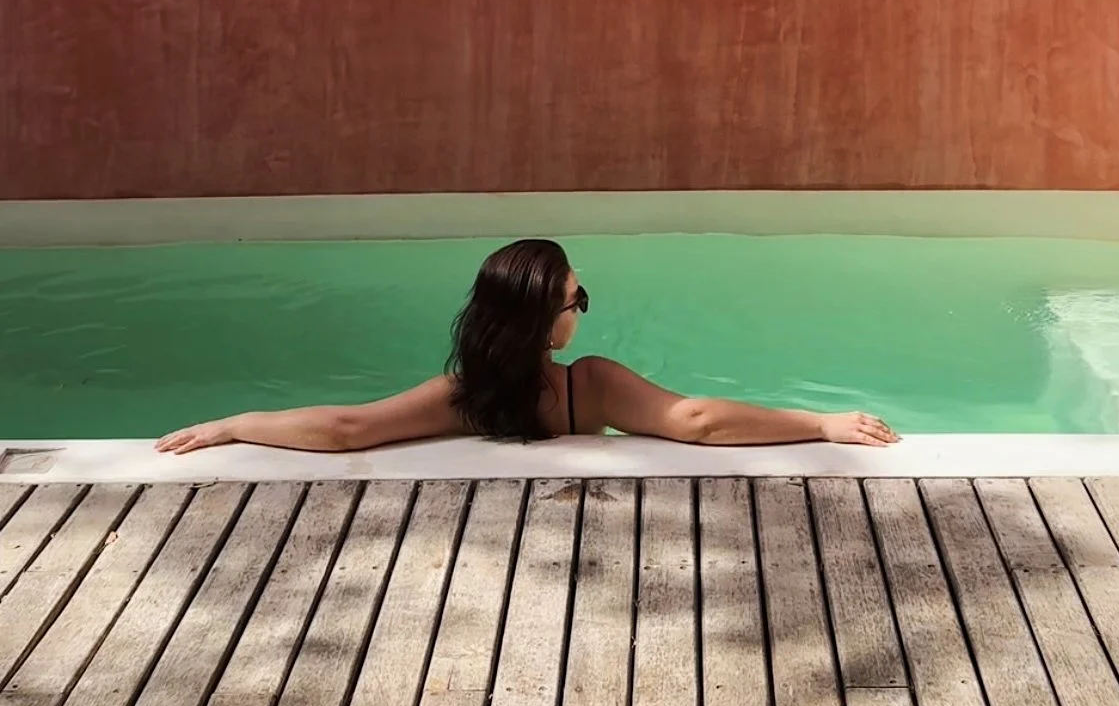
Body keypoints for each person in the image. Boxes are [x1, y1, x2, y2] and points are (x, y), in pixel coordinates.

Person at [155, 236, 899, 456]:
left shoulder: (466, 402)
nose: (582, 306)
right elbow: (696, 421)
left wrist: (235, 423)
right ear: (552, 321)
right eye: (579, 296)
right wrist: (822, 423)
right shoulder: (591, 386)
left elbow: (348, 429)